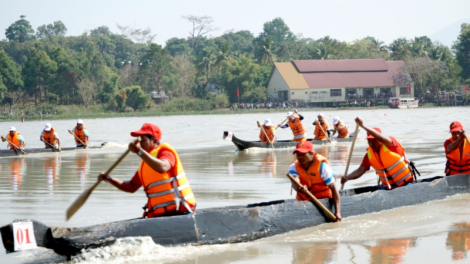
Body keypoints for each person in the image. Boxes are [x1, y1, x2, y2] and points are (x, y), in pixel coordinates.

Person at [98, 123, 197, 218]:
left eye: (143, 140)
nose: (139, 143)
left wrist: (139, 151)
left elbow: (163, 167)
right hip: (160, 215)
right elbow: (132, 186)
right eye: (138, 140)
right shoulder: (145, 163)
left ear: (154, 140)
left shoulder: (165, 151)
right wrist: (110, 179)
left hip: (181, 212)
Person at [341, 118, 416, 190]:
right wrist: (347, 177)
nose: (371, 143)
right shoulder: (369, 155)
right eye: (369, 141)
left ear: (380, 140)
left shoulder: (390, 144)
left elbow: (380, 137)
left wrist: (363, 125)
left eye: (374, 140)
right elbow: (360, 170)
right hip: (388, 188)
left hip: (407, 184)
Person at [288, 141, 341, 221]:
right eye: (298, 154)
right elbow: (295, 181)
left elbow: (334, 188)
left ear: (311, 154)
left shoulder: (323, 167)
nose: (300, 157)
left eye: (303, 154)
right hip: (304, 201)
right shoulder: (293, 167)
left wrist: (337, 212)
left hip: (324, 199)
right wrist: (300, 188)